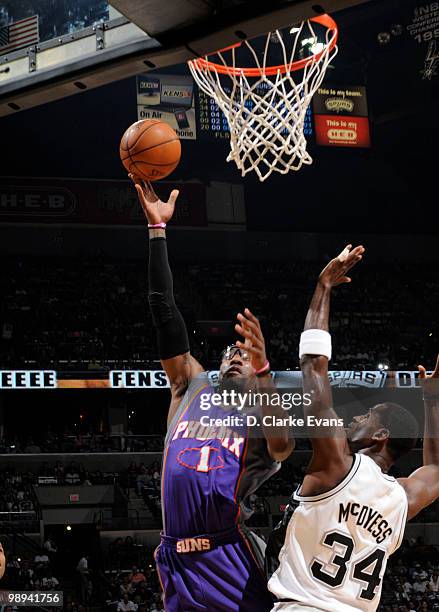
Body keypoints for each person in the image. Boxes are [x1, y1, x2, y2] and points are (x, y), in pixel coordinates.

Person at [131, 176, 294, 612]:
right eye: (232, 351)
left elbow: (283, 446)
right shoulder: (190, 385)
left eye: (247, 353)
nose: (237, 356)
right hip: (174, 557)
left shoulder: (260, 410)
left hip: (228, 555)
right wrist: (157, 232)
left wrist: (264, 371)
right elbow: (164, 313)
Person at [268, 244, 439, 612]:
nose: (355, 418)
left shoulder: (338, 464)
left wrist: (323, 288)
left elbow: (313, 371)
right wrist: (432, 401)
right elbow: (437, 470)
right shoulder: (400, 499)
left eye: (368, 415)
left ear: (381, 436)